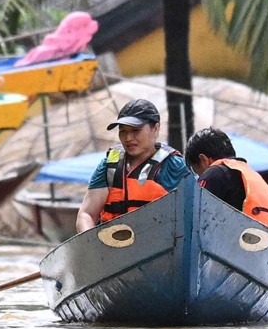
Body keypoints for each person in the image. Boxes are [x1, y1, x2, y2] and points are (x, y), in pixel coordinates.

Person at [78, 98, 189, 231]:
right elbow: (86, 214)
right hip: (111, 246)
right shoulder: (109, 165)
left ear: (156, 129)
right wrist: (92, 245)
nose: (128, 138)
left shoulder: (174, 166)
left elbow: (193, 211)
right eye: (123, 131)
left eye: (135, 130)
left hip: (160, 243)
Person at [184, 128, 268, 230]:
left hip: (246, 241)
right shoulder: (250, 175)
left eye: (197, 171)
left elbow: (193, 218)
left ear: (203, 159)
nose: (199, 176)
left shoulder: (215, 172)